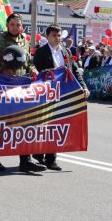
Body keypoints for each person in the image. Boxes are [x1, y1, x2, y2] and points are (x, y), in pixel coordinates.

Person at [0, 13, 44, 173]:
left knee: (24, 123)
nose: (15, 28)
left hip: (22, 87)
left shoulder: (24, 40)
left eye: (18, 25)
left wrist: (33, 69)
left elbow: (28, 61)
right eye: (12, 25)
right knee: (0, 124)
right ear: (7, 25)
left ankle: (26, 160)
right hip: (3, 88)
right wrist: (1, 70)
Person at [32, 25, 89, 170]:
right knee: (44, 125)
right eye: (54, 36)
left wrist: (83, 87)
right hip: (46, 94)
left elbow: (74, 70)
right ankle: (38, 153)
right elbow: (36, 72)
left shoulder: (66, 51)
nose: (57, 38)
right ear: (47, 37)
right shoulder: (41, 52)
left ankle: (51, 159)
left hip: (63, 93)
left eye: (59, 36)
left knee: (57, 124)